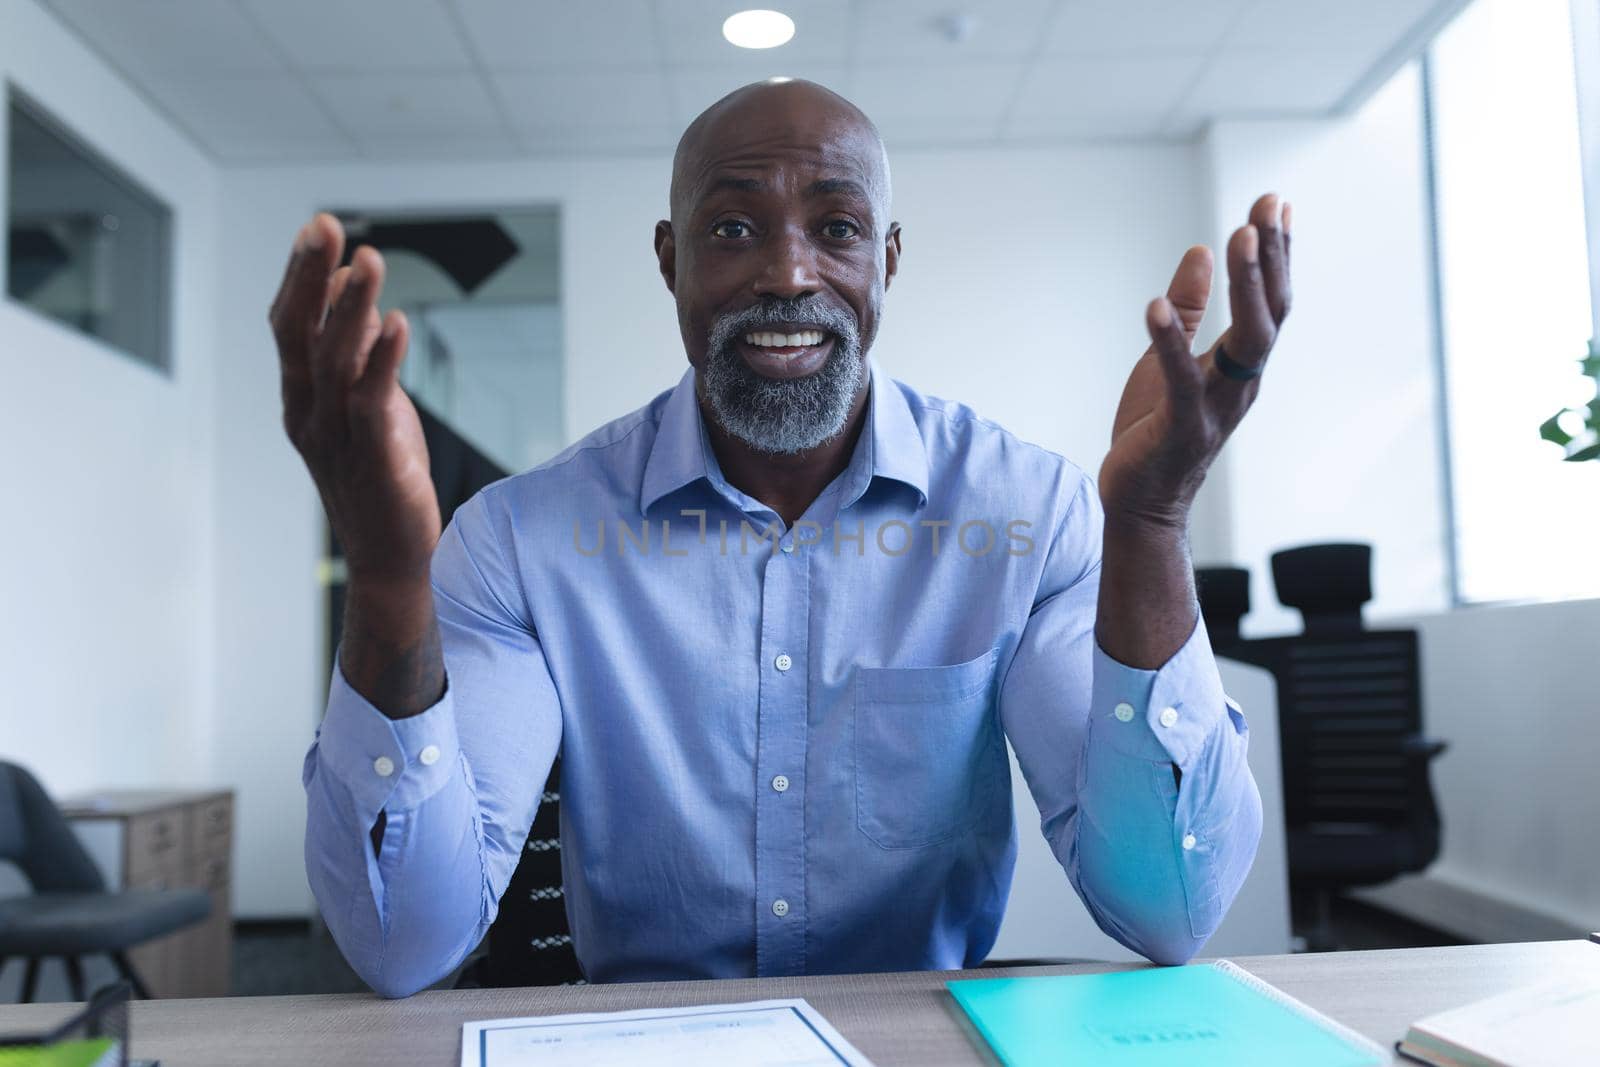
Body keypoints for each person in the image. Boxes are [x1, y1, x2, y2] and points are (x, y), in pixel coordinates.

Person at [274, 79, 1285, 998]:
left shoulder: (1029, 514)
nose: (788, 272)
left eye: (837, 227)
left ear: (885, 259)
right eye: (731, 228)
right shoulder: (521, 540)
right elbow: (404, 943)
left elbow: (1169, 909)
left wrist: (1149, 524)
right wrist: (386, 570)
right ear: (671, 259)